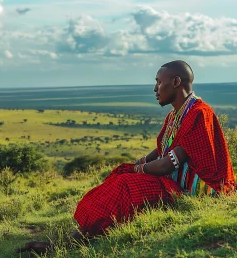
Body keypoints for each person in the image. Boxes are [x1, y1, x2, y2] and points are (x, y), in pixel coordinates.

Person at [15, 60, 236, 254]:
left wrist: (137, 170)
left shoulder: (198, 112)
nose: (155, 88)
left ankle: (67, 244)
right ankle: (77, 236)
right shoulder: (177, 114)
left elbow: (167, 164)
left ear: (176, 82)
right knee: (121, 174)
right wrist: (136, 164)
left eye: (159, 82)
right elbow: (162, 150)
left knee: (126, 184)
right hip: (175, 180)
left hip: (199, 190)